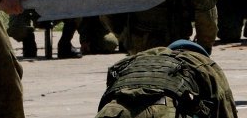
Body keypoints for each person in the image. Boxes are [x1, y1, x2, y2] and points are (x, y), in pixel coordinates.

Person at [96, 39, 238, 118]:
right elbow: (226, 110)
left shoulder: (138, 59)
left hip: (111, 112)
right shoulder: (205, 64)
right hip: (160, 112)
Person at [111, 0, 218, 56]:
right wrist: (204, 49)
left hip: (138, 43)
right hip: (176, 46)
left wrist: (125, 38)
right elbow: (205, 12)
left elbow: (107, 4)